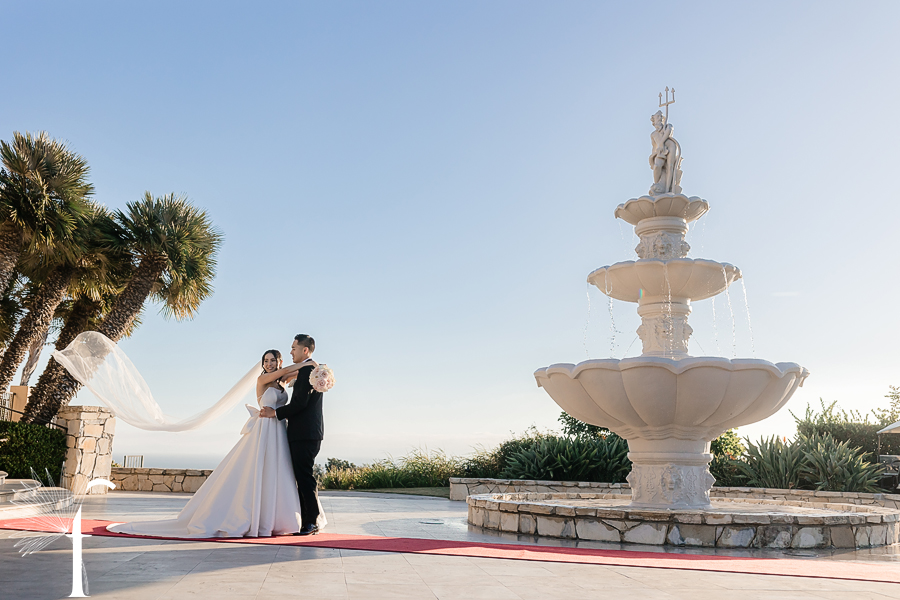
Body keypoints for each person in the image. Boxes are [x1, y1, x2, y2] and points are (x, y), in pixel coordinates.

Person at [106, 348, 326, 538]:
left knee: (278, 472)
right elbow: (291, 370)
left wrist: (318, 370)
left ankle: (280, 517)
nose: (268, 364)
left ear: (278, 361)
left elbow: (296, 375)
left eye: (272, 360)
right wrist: (308, 363)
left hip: (278, 429)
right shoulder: (263, 380)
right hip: (264, 430)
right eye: (265, 361)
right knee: (257, 470)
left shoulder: (283, 382)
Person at [260, 334, 324, 536]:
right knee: (303, 476)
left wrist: (275, 413)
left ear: (304, 350)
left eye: (294, 348)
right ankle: (308, 520)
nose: (290, 352)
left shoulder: (307, 371)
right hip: (310, 432)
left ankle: (311, 522)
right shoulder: (311, 370)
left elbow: (299, 403)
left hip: (303, 433)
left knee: (304, 477)